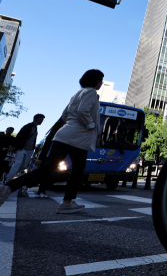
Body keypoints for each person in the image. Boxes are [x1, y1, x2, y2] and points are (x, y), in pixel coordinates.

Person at [0, 70, 104, 213]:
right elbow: (82, 111)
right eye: (101, 80)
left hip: (63, 135)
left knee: (47, 168)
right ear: (95, 80)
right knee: (78, 170)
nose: (102, 83)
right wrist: (90, 126)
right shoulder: (92, 93)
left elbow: (64, 115)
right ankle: (67, 203)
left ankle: (9, 187)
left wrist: (73, 124)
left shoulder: (76, 94)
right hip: (78, 138)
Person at [3, 115, 45, 184]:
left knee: (24, 166)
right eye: (42, 120)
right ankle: (8, 180)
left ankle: (7, 175)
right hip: (21, 148)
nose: (42, 122)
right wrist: (14, 146)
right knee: (18, 163)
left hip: (29, 150)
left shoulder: (35, 128)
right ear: (38, 119)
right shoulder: (28, 126)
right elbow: (19, 136)